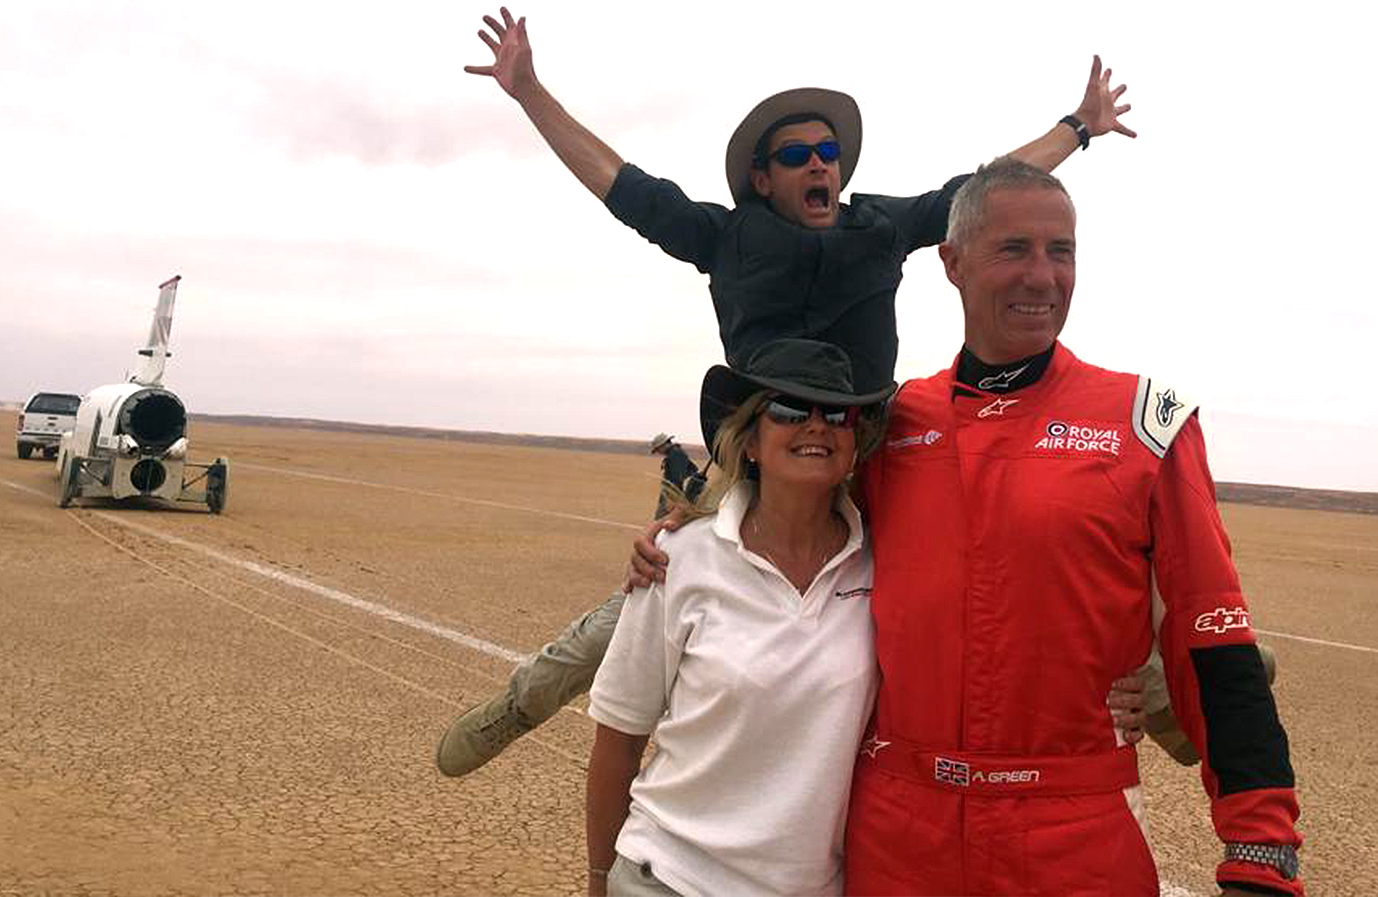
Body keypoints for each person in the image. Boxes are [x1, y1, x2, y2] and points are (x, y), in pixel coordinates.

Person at [435, 6, 1144, 777]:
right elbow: (622, 186)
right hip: (763, 443)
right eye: (798, 154)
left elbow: (985, 189)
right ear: (762, 179)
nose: (820, 165)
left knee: (1018, 531)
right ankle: (525, 697)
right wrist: (530, 92)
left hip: (874, 438)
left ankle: (1172, 694)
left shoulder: (878, 225)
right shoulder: (726, 236)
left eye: (829, 151)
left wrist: (1078, 125)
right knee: (661, 575)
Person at [838, 157, 1303, 896]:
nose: (1043, 275)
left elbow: (1211, 634)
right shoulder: (889, 424)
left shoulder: (1145, 423)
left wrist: (1261, 846)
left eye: (1062, 251)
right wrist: (686, 526)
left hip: (1073, 835)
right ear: (952, 263)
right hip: (897, 833)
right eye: (1014, 248)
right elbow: (782, 546)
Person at [647, 433, 705, 518]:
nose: (658, 452)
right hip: (673, 494)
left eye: (657, 449)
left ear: (663, 445)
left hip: (673, 495)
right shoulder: (674, 453)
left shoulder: (676, 454)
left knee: (661, 519)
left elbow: (677, 478)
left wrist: (673, 499)